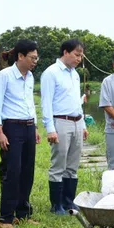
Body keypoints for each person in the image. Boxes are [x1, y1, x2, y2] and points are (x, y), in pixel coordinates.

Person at [0, 40, 41, 228]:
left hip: (28, 126)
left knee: (28, 171)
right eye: (32, 58)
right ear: (20, 56)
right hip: (11, 127)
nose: (35, 61)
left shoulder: (30, 77)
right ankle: (5, 218)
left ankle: (23, 213)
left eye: (36, 58)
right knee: (13, 171)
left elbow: (30, 104)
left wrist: (34, 127)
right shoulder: (5, 76)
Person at [41, 39, 88, 215]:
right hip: (60, 122)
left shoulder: (75, 74)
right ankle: (56, 205)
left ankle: (69, 201)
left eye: (81, 55)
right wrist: (50, 129)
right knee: (59, 164)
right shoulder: (51, 73)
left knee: (73, 165)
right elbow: (46, 103)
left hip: (76, 121)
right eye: (77, 54)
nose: (79, 59)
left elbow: (77, 102)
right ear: (65, 52)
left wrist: (82, 124)